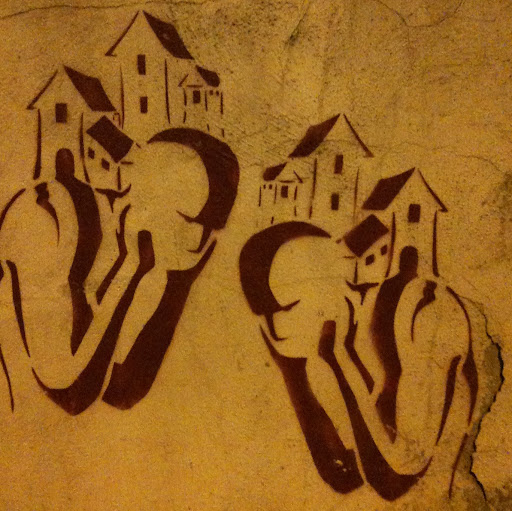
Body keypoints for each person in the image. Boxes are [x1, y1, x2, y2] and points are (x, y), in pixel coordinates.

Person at [0, 128, 239, 415]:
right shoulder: (52, 214)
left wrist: (176, 286)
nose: (134, 204)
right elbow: (72, 395)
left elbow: (123, 393)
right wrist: (130, 274)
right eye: (142, 183)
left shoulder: (153, 266)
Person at [239, 221, 479, 501]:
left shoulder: (421, 308)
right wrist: (294, 373)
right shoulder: (333, 349)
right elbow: (344, 475)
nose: (276, 329)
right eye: (267, 317)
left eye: (288, 308)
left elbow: (394, 479)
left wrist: (341, 363)